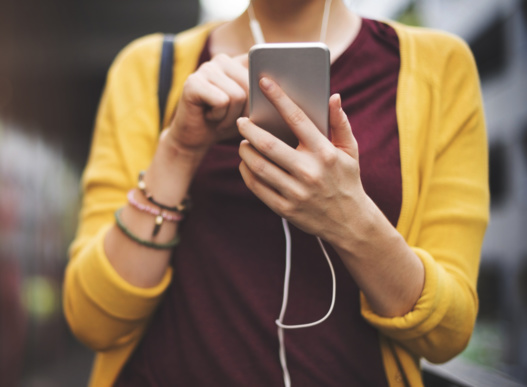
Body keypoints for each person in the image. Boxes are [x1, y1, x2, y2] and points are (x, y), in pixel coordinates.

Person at [63, 0, 489, 385]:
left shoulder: (438, 67)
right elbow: (93, 321)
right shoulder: (149, 67)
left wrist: (351, 219)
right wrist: (178, 150)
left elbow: (447, 334)